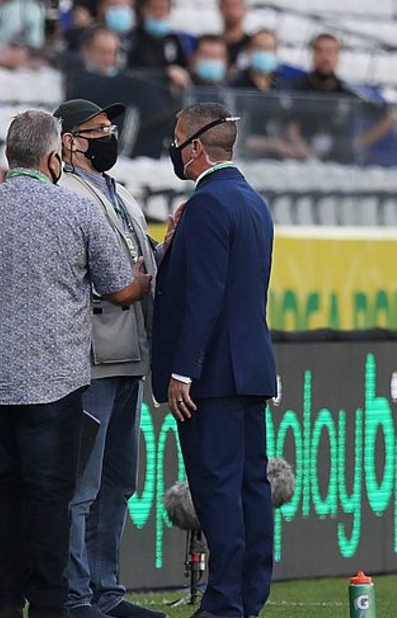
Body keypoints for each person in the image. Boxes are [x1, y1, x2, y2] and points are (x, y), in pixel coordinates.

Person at [0, 110, 150, 618]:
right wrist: (147, 274)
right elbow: (120, 288)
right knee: (49, 497)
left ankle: (5, 603)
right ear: (54, 158)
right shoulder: (76, 211)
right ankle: (49, 603)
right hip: (51, 379)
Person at [153, 102, 278, 618]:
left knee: (218, 488)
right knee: (251, 486)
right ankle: (249, 596)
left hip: (213, 375)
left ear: (197, 147)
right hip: (248, 366)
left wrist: (184, 369)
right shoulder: (252, 201)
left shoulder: (208, 205)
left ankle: (223, 602)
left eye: (179, 142)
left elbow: (203, 295)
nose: (175, 152)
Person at [54, 99, 166, 618]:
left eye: (111, 127)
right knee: (83, 485)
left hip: (128, 352)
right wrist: (133, 280)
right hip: (90, 355)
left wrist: (171, 241)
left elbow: (139, 259)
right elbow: (106, 276)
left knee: (118, 482)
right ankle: (76, 596)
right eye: (99, 129)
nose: (110, 136)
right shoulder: (64, 194)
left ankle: (106, 591)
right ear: (71, 140)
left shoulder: (119, 193)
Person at [290, 33, 397, 165]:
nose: (325, 57)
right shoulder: (296, 90)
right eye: (320, 51)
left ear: (338, 56)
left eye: (330, 51)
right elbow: (287, 127)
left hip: (340, 162)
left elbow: (389, 115)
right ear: (312, 54)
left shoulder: (348, 92)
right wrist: (308, 155)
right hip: (301, 161)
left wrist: (356, 144)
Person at [229, 29, 313, 161]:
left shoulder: (283, 87)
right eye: (259, 48)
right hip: (246, 158)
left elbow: (290, 127)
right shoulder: (236, 86)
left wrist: (302, 149)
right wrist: (275, 145)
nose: (264, 53)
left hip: (281, 159)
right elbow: (237, 133)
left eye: (268, 49)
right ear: (249, 50)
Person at [127, 0, 191, 90]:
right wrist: (165, 73)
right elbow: (130, 71)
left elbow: (183, 67)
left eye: (163, 9)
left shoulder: (173, 39)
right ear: (143, 9)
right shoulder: (133, 38)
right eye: (154, 8)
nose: (158, 13)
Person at [218, 0, 250, 68]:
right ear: (220, 8)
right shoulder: (212, 46)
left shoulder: (252, 45)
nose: (232, 10)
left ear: (245, 9)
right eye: (227, 5)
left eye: (236, 5)